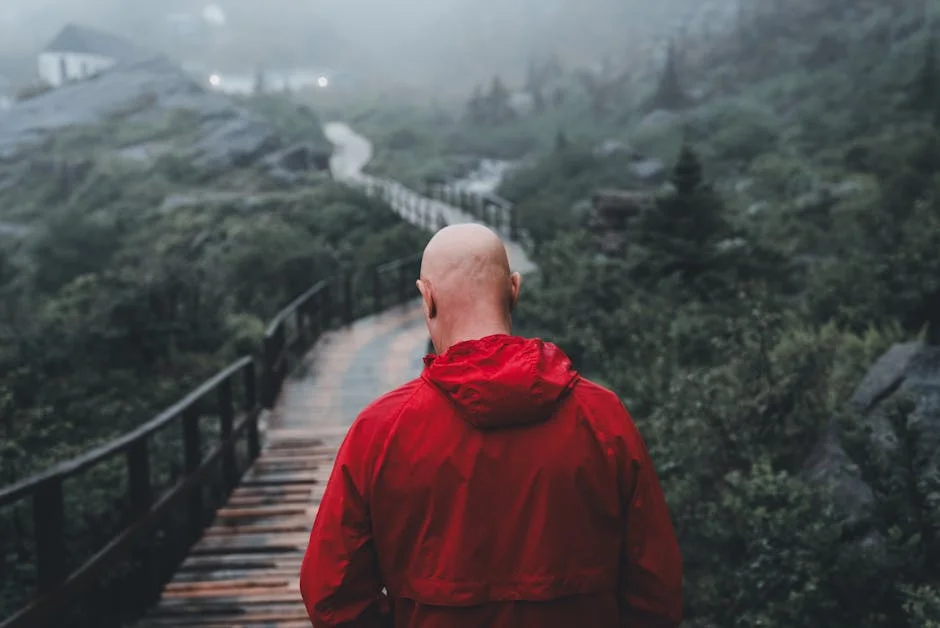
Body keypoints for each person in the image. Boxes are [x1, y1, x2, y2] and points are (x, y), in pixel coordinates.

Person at [299, 223, 682, 627]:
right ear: (514, 289)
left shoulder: (380, 430)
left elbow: (331, 593)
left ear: (426, 298)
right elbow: (655, 591)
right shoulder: (603, 417)